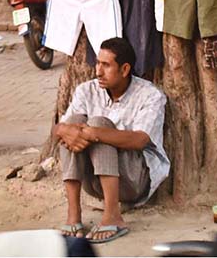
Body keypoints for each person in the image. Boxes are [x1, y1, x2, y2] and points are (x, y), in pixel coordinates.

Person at [54, 37, 170, 243]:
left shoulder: (150, 95)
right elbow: (59, 128)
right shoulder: (87, 90)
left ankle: (113, 216)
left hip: (134, 180)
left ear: (125, 69)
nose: (98, 71)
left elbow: (139, 140)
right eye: (98, 63)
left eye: (106, 65)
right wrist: (65, 130)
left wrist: (93, 133)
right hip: (94, 182)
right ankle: (73, 215)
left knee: (100, 124)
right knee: (71, 124)